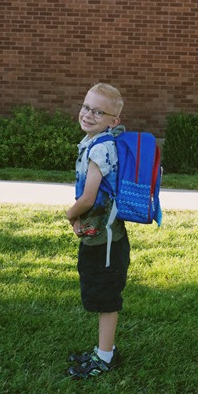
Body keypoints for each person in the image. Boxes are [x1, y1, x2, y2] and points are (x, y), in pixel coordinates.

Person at [66, 83, 129, 379]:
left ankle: (105, 357)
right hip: (101, 233)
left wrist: (70, 214)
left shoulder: (100, 147)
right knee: (101, 290)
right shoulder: (95, 141)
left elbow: (89, 197)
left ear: (112, 121)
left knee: (105, 296)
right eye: (86, 106)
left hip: (106, 240)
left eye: (98, 111)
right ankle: (103, 351)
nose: (88, 114)